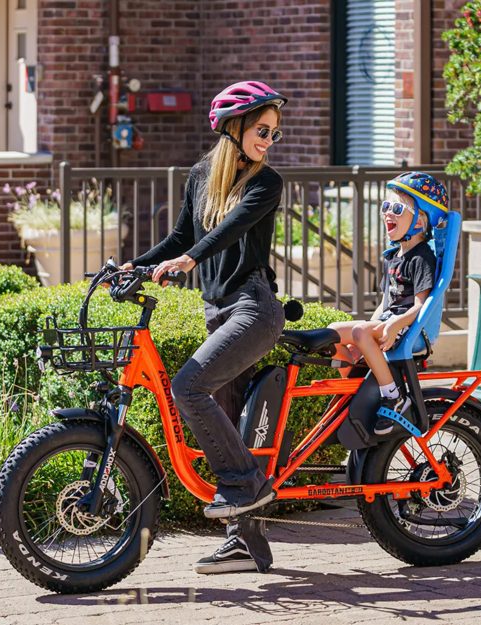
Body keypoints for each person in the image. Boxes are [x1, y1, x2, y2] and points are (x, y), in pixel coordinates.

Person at [123, 81, 287, 574]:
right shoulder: (200, 176)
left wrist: (190, 260)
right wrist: (133, 266)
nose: (268, 141)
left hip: (254, 309)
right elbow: (180, 236)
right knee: (237, 426)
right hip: (218, 312)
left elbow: (229, 229)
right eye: (262, 130)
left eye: (274, 134)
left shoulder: (266, 182)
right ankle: (244, 543)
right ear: (233, 128)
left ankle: (246, 486)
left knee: (188, 387)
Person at [327, 172, 448, 436]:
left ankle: (394, 396)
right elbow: (384, 304)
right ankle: (354, 385)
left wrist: (393, 325)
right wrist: (368, 330)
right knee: (332, 333)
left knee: (359, 333)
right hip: (389, 323)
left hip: (410, 329)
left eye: (397, 208)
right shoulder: (393, 256)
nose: (387, 214)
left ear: (421, 220)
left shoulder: (421, 258)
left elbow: (421, 306)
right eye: (386, 207)